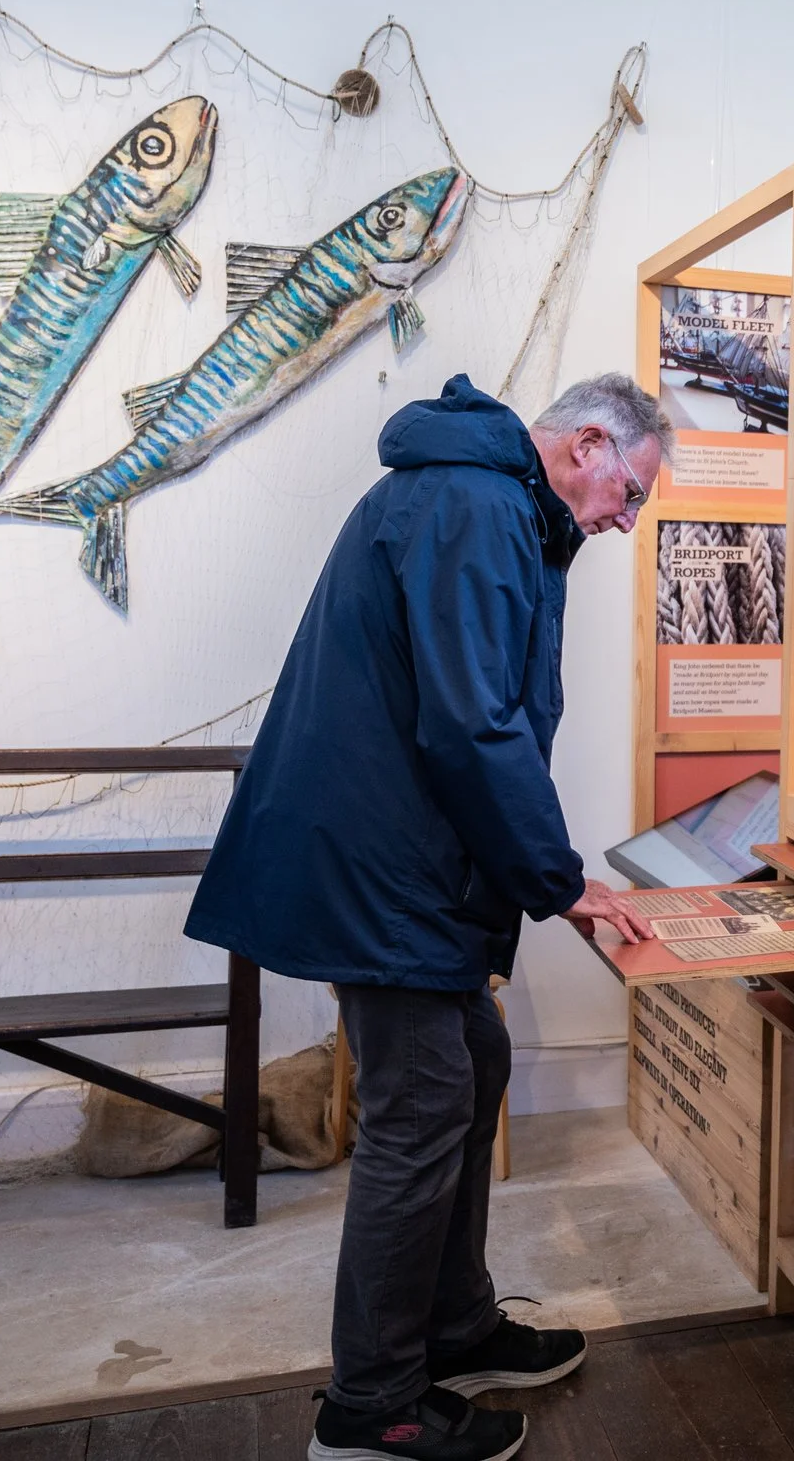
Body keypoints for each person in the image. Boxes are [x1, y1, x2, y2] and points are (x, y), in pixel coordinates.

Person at [184, 371, 671, 1461]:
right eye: (630, 491)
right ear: (588, 441)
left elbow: (475, 713)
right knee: (423, 1103)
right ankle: (372, 1404)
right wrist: (558, 876)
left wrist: (538, 869)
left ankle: (454, 1328)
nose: (626, 519)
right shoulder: (474, 503)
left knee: (477, 1060)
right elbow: (471, 723)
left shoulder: (488, 498)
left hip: (400, 857)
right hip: (380, 863)